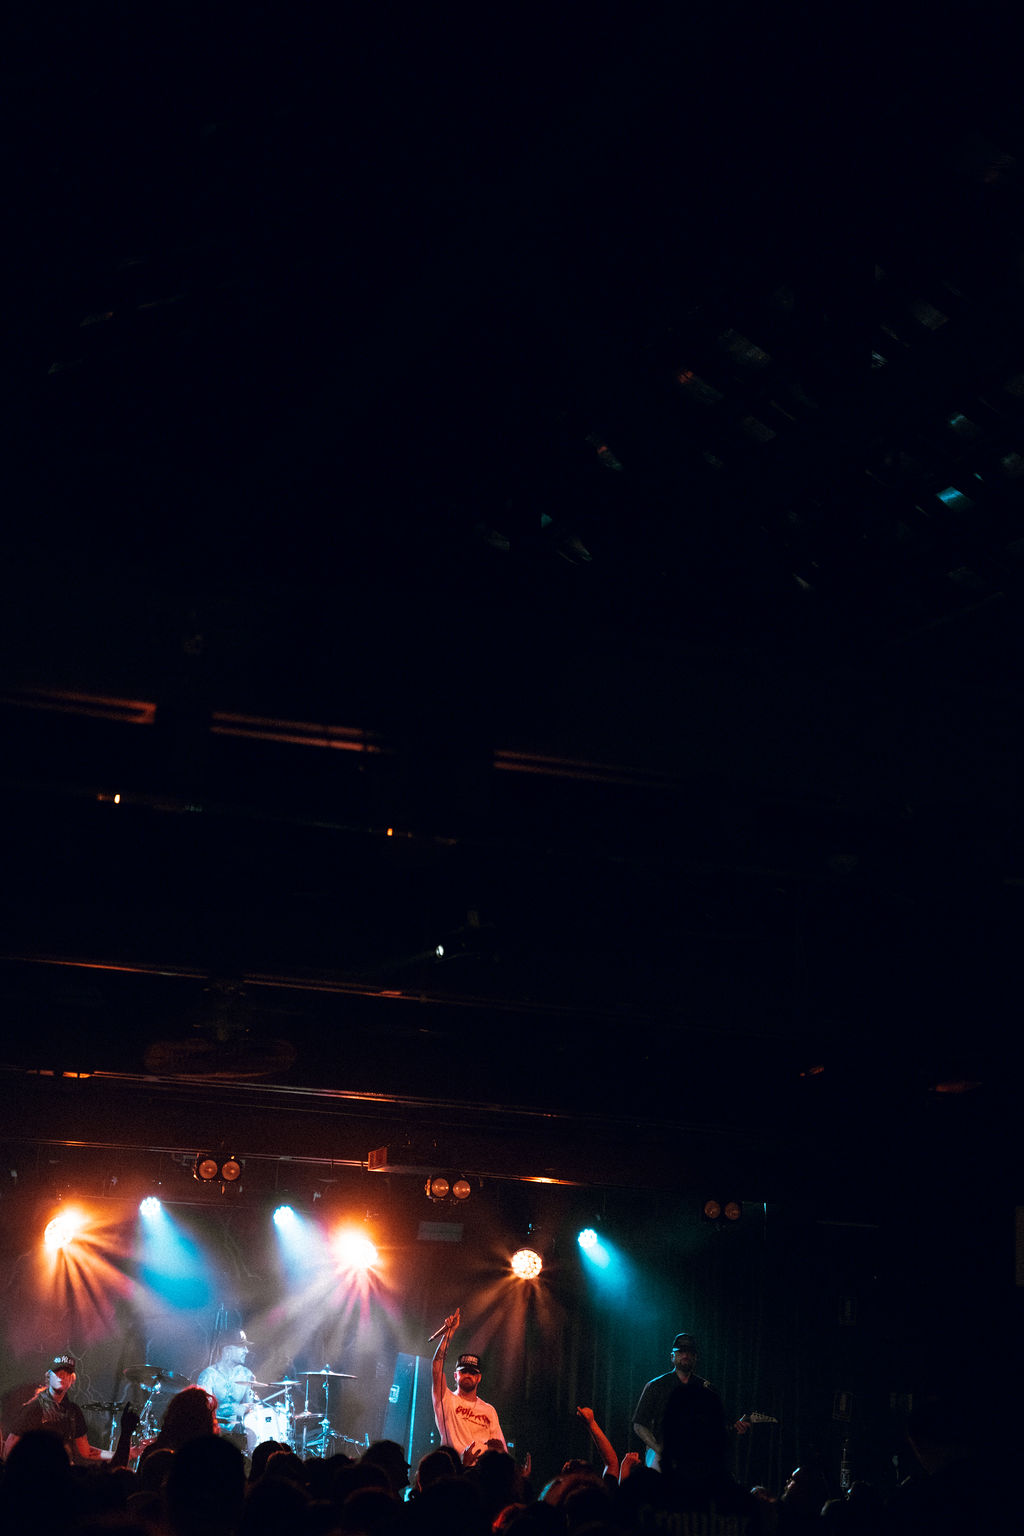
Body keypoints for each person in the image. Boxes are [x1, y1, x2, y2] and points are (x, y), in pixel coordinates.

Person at [632, 1331, 745, 1474]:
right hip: (661, 1455)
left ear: (696, 1357)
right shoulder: (656, 1386)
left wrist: (735, 1428)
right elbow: (639, 1424)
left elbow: (716, 1426)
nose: (685, 1355)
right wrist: (660, 1449)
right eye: (681, 1352)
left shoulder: (706, 1388)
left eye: (690, 1352)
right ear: (672, 1356)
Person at [1, 1352, 111, 1463]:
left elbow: (86, 1452)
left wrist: (115, 1454)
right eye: (57, 1372)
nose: (62, 1376)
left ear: (72, 1380)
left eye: (67, 1373)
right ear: (48, 1376)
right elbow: (10, 1449)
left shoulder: (73, 1412)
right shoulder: (35, 1408)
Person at [431, 1308, 508, 1457]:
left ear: (479, 1378)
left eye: (472, 1372)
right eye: (464, 1371)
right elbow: (436, 1367)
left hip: (481, 1469)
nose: (468, 1375)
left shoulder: (489, 1410)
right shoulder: (445, 1399)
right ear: (455, 1375)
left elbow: (500, 1448)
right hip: (454, 1467)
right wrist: (449, 1334)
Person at [195, 1329, 259, 1439]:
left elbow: (250, 1408)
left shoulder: (246, 1374)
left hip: (237, 1435)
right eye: (242, 1346)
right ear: (227, 1350)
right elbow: (203, 1411)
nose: (246, 1351)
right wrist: (234, 1409)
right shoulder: (208, 1375)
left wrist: (251, 1409)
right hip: (211, 1435)